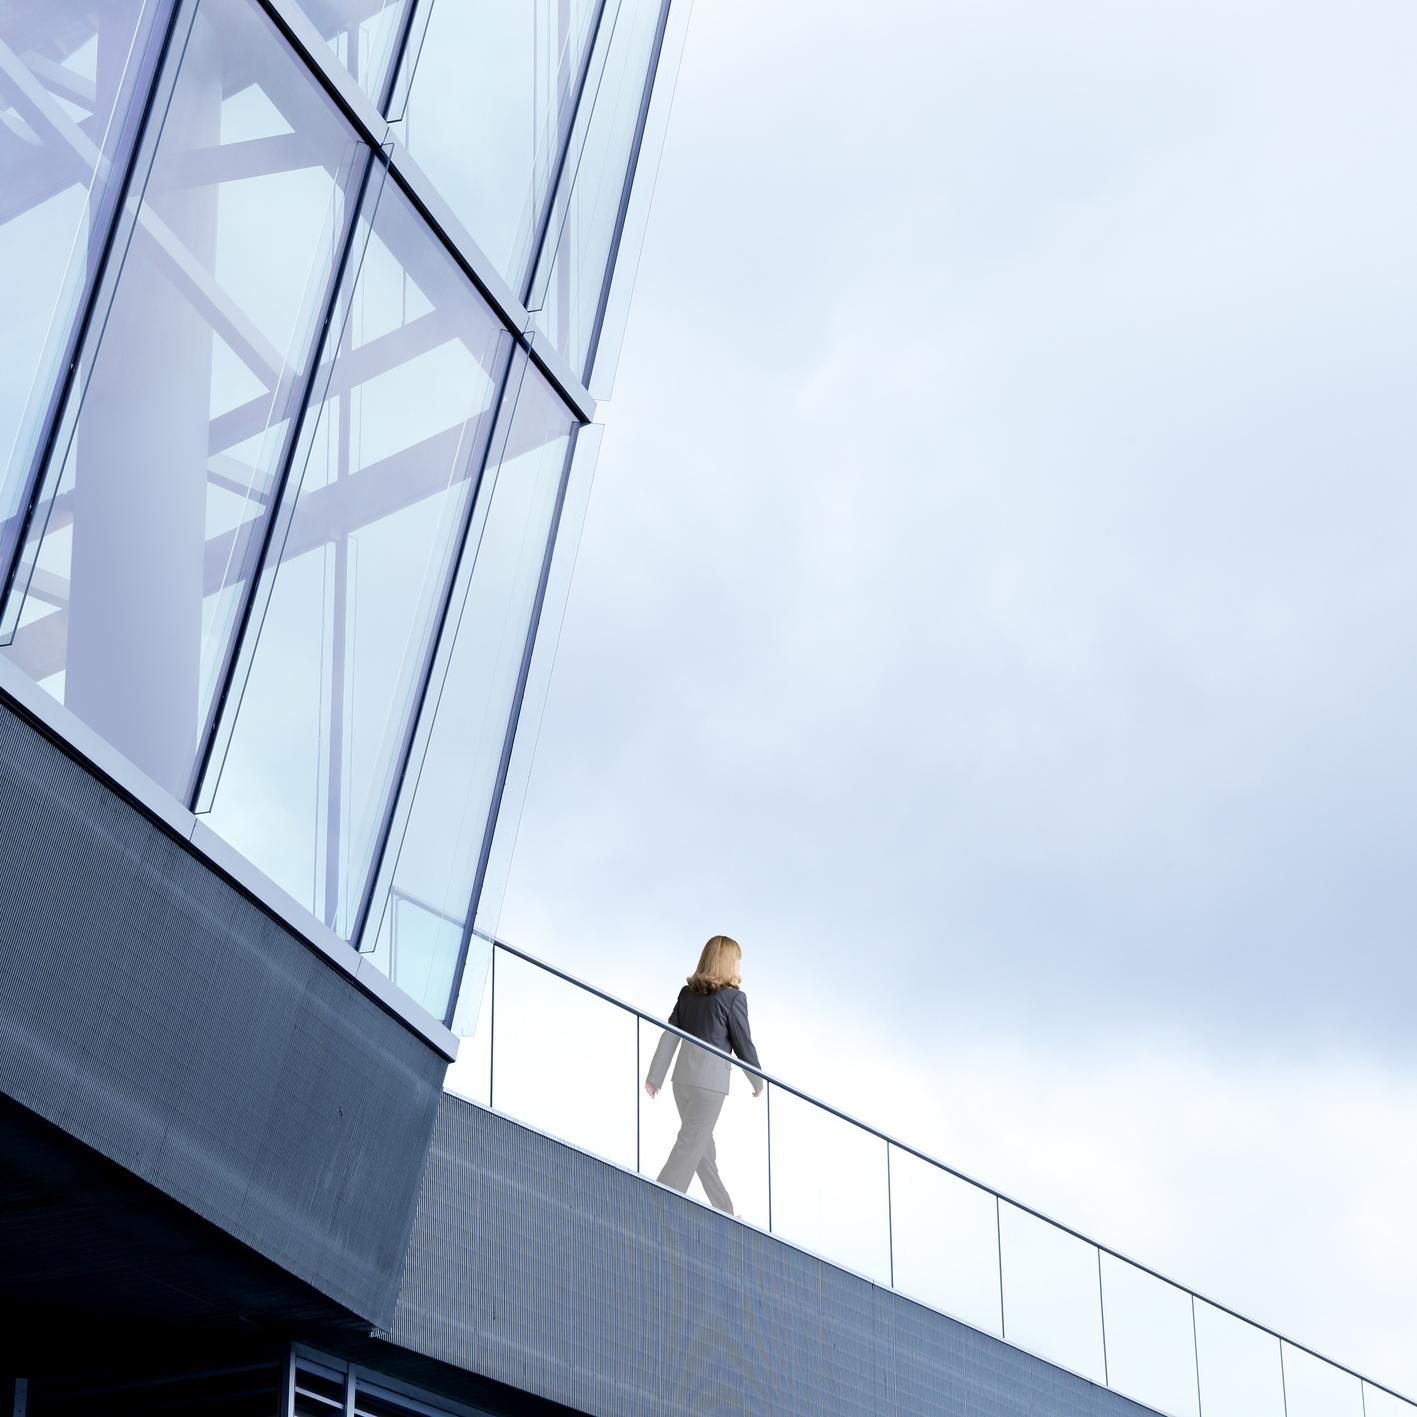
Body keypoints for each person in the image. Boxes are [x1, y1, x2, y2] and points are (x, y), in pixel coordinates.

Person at [644, 934, 763, 1214]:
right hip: (709, 1087)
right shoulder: (734, 998)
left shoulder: (687, 995)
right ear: (726, 962)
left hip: (681, 1082)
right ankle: (656, 1202)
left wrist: (655, 1075)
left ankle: (725, 1210)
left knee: (702, 1149)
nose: (739, 968)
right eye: (737, 961)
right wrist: (758, 1080)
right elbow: (743, 1043)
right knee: (690, 1144)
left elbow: (669, 1036)